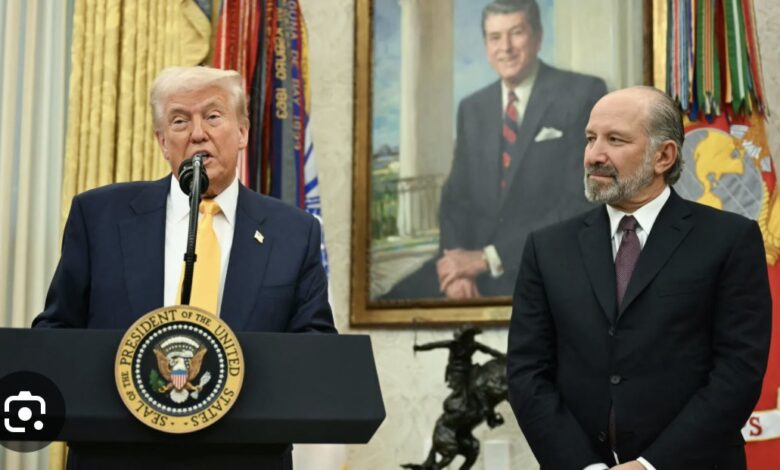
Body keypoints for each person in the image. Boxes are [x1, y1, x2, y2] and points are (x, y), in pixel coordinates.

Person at [34, 66, 335, 469]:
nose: (197, 134)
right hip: (118, 457)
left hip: (243, 459)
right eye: (179, 121)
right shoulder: (99, 216)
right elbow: (56, 333)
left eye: (213, 116)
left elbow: (315, 350)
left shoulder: (294, 232)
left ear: (242, 132)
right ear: (162, 141)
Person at [507, 86, 771, 469]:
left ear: (664, 156)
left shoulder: (729, 240)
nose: (594, 155)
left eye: (615, 140)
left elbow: (738, 372)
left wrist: (649, 466)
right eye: (590, 138)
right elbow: (527, 373)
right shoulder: (547, 248)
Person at [384, 0, 607, 300]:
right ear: (486, 46)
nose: (506, 48)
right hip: (468, 263)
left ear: (538, 36)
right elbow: (455, 200)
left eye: (516, 33)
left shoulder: (582, 94)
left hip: (540, 265)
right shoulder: (472, 108)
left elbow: (581, 203)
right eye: (495, 37)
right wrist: (457, 268)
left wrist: (488, 258)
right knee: (388, 305)